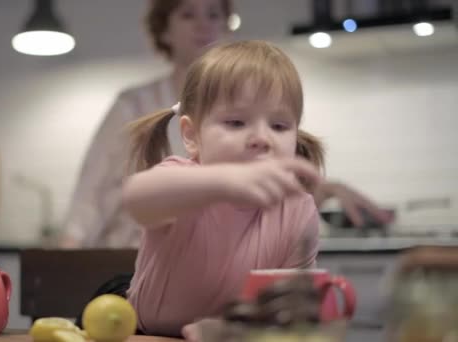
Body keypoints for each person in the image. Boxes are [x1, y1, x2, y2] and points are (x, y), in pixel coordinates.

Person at [60, 0, 392, 248]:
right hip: (130, 261)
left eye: (214, 14)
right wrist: (64, 257)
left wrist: (323, 188)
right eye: (188, 14)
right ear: (164, 30)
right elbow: (92, 194)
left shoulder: (254, 109)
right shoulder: (132, 105)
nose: (203, 25)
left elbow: (263, 188)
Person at [123, 40, 323, 337]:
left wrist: (228, 330)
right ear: (192, 136)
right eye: (236, 122)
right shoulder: (184, 181)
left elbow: (288, 310)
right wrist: (225, 182)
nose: (261, 138)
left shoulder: (298, 210)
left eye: (279, 126)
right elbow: (137, 198)